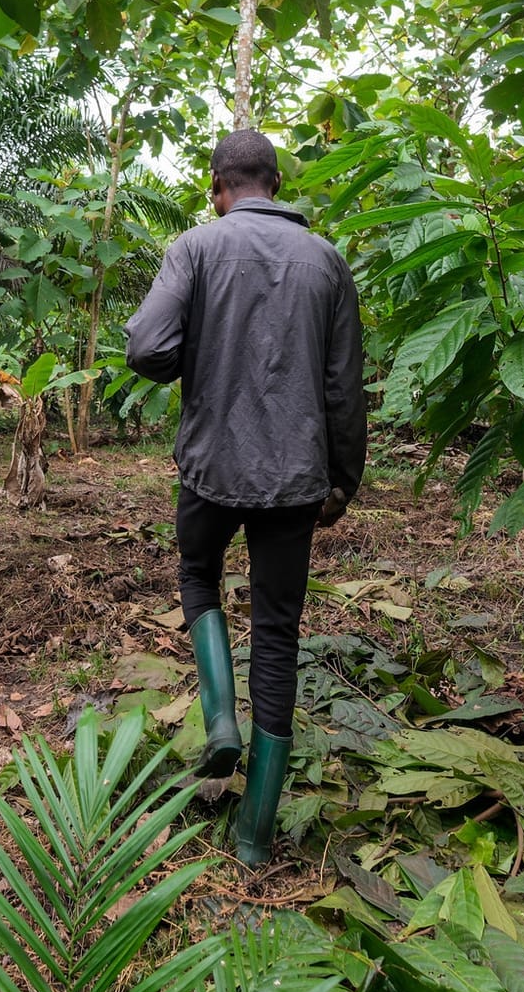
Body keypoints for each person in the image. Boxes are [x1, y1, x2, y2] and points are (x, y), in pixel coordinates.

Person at [124, 128, 367, 866]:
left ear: (217, 184)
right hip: (295, 479)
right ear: (277, 182)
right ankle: (256, 837)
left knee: (199, 577)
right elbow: (343, 388)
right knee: (279, 633)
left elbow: (146, 347)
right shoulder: (327, 261)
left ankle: (221, 719)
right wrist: (342, 479)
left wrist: (199, 350)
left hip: (209, 469)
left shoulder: (195, 249)